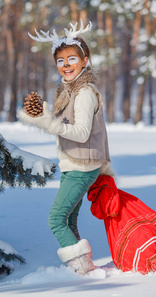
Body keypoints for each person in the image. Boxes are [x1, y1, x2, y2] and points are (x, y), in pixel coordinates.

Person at [18, 21, 114, 275]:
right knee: (68, 219)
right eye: (61, 61)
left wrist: (48, 123)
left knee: (55, 220)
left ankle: (82, 270)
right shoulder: (68, 91)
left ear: (84, 61)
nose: (66, 65)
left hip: (82, 167)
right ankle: (82, 267)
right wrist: (43, 118)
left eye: (72, 59)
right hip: (74, 164)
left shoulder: (84, 93)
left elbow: (81, 134)